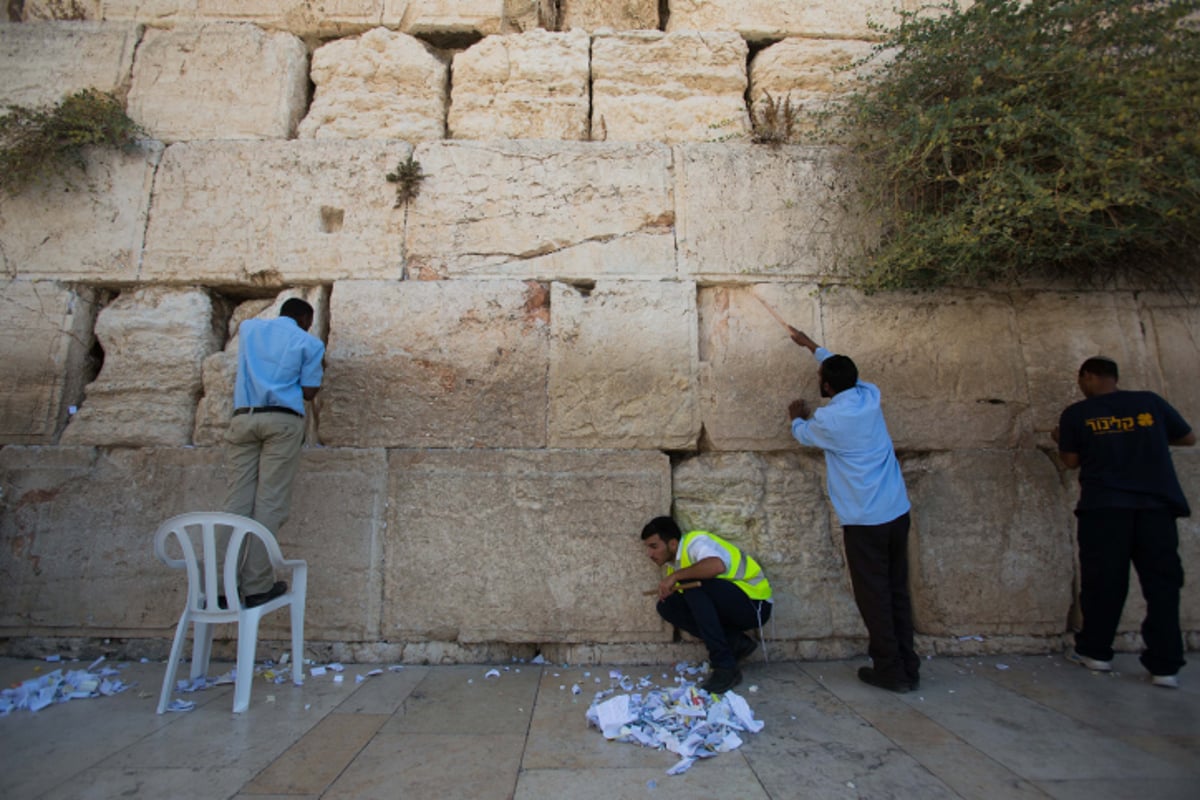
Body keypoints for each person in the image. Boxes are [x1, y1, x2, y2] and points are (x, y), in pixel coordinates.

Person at [786, 328, 918, 693]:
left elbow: (803, 435)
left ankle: (890, 670)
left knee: (873, 595)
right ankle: (909, 665)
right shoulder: (869, 396)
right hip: (896, 510)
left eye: (820, 378)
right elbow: (844, 370)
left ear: (827, 387)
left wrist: (796, 417)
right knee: (897, 590)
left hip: (864, 520)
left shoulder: (829, 421)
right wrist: (812, 347)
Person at [1053, 355, 1194, 688]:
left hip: (1105, 509)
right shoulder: (1149, 404)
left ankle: (1096, 652)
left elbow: (1070, 461)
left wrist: (1061, 438)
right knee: (1162, 586)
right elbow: (1188, 438)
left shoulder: (1078, 414)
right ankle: (1165, 666)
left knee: (1104, 583)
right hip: (1155, 508)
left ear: (1088, 377)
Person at [223, 297, 325, 608]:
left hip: (244, 417)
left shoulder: (250, 329)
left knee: (235, 503)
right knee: (270, 503)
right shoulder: (308, 343)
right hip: (282, 420)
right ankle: (256, 586)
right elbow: (308, 393)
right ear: (305, 317)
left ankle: (219, 587)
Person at [641, 516, 772, 693]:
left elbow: (716, 566)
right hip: (732, 606)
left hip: (755, 603)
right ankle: (735, 642)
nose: (650, 554)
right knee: (667, 605)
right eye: (647, 548)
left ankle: (725, 667)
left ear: (672, 544)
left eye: (654, 547)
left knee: (694, 584)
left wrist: (676, 577)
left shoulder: (695, 542)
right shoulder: (676, 566)